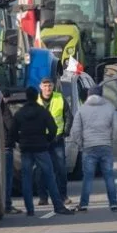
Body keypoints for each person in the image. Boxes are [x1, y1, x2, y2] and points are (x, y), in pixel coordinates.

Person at [12, 87, 73, 216]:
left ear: (26, 97)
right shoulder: (43, 112)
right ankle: (58, 205)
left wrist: (21, 141)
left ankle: (30, 209)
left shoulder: (19, 113)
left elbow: (13, 132)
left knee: (27, 179)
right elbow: (53, 128)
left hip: (26, 149)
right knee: (50, 176)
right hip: (41, 148)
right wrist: (47, 140)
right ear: (36, 97)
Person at [68, 85, 117, 212]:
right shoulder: (109, 107)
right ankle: (113, 203)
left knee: (88, 177)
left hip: (89, 147)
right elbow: (116, 128)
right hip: (105, 145)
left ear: (88, 95)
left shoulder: (82, 109)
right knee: (108, 175)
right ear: (101, 94)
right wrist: (111, 141)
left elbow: (75, 130)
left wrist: (80, 144)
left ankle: (84, 204)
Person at [35, 78, 71, 206]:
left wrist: (65, 132)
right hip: (41, 141)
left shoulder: (59, 98)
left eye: (49, 86)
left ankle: (63, 196)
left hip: (57, 139)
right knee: (40, 170)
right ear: (40, 87)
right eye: (45, 86)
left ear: (53, 86)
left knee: (60, 168)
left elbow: (68, 115)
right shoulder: (35, 100)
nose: (47, 88)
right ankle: (43, 197)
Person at [3, 101, 22, 214]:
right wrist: (20, 140)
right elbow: (11, 126)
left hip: (0, 146)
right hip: (6, 146)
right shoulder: (3, 108)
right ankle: (7, 205)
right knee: (7, 177)